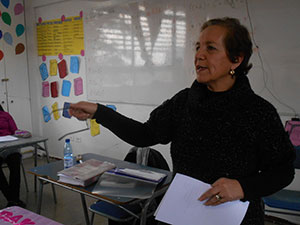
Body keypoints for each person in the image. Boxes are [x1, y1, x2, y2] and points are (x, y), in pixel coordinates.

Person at [69, 17, 295, 225]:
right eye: (198, 47)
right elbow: (144, 135)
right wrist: (99, 111)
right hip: (181, 214)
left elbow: (283, 170)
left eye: (211, 48)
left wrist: (242, 187)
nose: (199, 55)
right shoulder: (184, 102)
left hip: (234, 217)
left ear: (236, 59)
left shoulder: (258, 112)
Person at [0, 104, 26, 208]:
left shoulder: (6, 115)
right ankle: (12, 199)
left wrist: (22, 133)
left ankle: (14, 199)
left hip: (10, 147)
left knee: (15, 163)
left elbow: (15, 130)